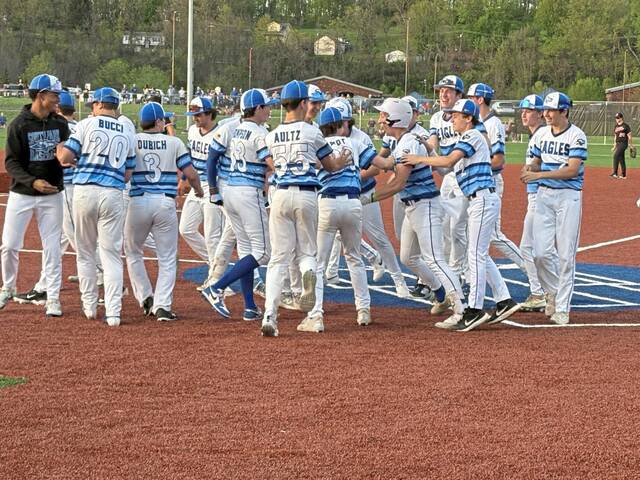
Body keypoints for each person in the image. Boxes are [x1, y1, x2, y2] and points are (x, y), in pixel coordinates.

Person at [401, 99, 522, 332]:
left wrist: (419, 158)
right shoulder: (466, 139)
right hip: (477, 201)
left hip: (482, 199)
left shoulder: (472, 135)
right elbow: (446, 169)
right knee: (478, 253)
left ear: (468, 118)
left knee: (475, 255)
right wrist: (429, 150)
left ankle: (474, 310)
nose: (452, 120)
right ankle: (504, 300)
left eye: (456, 116)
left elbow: (448, 161)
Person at [260, 80, 350, 337]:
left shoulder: (271, 135)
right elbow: (329, 166)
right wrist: (341, 161)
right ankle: (310, 284)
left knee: (278, 258)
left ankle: (269, 316)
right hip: (307, 194)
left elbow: (269, 162)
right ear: (302, 103)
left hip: (280, 193)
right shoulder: (312, 132)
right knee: (308, 253)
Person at [368, 98, 466, 328]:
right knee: (408, 257)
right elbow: (387, 164)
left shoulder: (408, 142)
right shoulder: (401, 140)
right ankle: (440, 293)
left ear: (395, 119)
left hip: (425, 205)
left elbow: (398, 182)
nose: (380, 120)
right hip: (413, 206)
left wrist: (368, 198)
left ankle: (461, 308)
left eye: (384, 115)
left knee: (434, 258)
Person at [57, 87, 137, 326]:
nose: (92, 108)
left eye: (93, 104)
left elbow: (65, 158)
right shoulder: (127, 129)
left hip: (85, 191)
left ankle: (90, 305)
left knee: (85, 252)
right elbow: (128, 173)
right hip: (113, 193)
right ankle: (113, 312)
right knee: (111, 255)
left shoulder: (85, 125)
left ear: (100, 104)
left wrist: (60, 150)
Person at [202, 89, 277, 321]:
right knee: (264, 253)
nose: (270, 109)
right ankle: (216, 287)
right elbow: (272, 163)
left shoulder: (236, 128)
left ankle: (249, 307)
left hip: (231, 191)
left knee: (246, 250)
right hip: (247, 192)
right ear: (258, 108)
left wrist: (215, 189)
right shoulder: (259, 132)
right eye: (267, 106)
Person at [125, 102, 203, 321]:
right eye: (164, 120)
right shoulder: (174, 142)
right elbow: (191, 173)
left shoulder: (133, 140)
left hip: (138, 201)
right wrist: (198, 190)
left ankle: (145, 297)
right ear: (158, 121)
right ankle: (162, 306)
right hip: (164, 202)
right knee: (167, 258)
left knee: (132, 251)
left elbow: (125, 172)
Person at [0, 74, 69, 316]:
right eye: (54, 94)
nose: (58, 99)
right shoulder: (19, 124)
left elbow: (67, 154)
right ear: (41, 96)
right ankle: (8, 287)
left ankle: (53, 297)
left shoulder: (60, 124)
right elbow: (11, 163)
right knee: (9, 245)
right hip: (22, 193)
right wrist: (33, 182)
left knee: (52, 247)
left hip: (53, 194)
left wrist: (69, 159)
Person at [521, 91, 587, 325]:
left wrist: (538, 175)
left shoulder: (577, 135)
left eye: (551, 110)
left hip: (568, 197)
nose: (547, 114)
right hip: (544, 196)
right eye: (545, 110)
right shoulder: (541, 134)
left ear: (564, 111)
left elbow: (572, 170)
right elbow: (536, 160)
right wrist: (530, 168)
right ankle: (552, 291)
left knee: (566, 255)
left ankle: (563, 308)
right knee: (539, 253)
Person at [307, 106, 374, 330]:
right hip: (353, 202)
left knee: (319, 263)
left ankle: (316, 314)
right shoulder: (354, 143)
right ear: (339, 126)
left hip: (327, 202)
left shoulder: (319, 145)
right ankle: (363, 310)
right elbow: (378, 163)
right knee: (354, 258)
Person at [13, 89, 81, 306]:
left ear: (60, 108)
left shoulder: (62, 126)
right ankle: (43, 287)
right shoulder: (76, 126)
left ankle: (104, 276)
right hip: (67, 186)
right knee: (59, 241)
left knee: (76, 238)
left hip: (66, 187)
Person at [466, 83, 526, 275]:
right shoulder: (475, 122)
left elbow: (499, 160)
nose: (467, 101)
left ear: (480, 99)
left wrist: (474, 168)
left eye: (470, 98)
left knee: (493, 235)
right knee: (468, 233)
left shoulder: (493, 124)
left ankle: (531, 270)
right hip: (475, 184)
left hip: (489, 182)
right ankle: (467, 275)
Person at [178, 97, 224, 288]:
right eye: (193, 115)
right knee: (186, 228)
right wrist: (184, 179)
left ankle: (218, 280)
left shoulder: (220, 133)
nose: (195, 118)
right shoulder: (192, 131)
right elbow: (189, 157)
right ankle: (216, 267)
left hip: (214, 185)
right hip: (197, 184)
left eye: (198, 114)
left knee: (213, 236)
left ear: (209, 113)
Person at [516, 94, 556, 313]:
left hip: (540, 195)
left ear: (540, 114)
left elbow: (549, 165)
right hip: (535, 195)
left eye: (529, 110)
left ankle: (543, 293)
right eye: (523, 110)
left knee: (533, 248)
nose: (524, 114)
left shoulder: (542, 134)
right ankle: (544, 292)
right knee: (536, 248)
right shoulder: (536, 135)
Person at [611, 112, 633, 179]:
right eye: (616, 118)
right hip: (618, 144)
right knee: (621, 159)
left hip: (623, 143)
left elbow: (629, 136)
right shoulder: (616, 126)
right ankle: (624, 175)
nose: (617, 119)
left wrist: (630, 145)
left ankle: (615, 173)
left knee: (615, 156)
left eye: (618, 118)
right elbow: (615, 137)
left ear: (621, 118)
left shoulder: (626, 126)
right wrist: (614, 146)